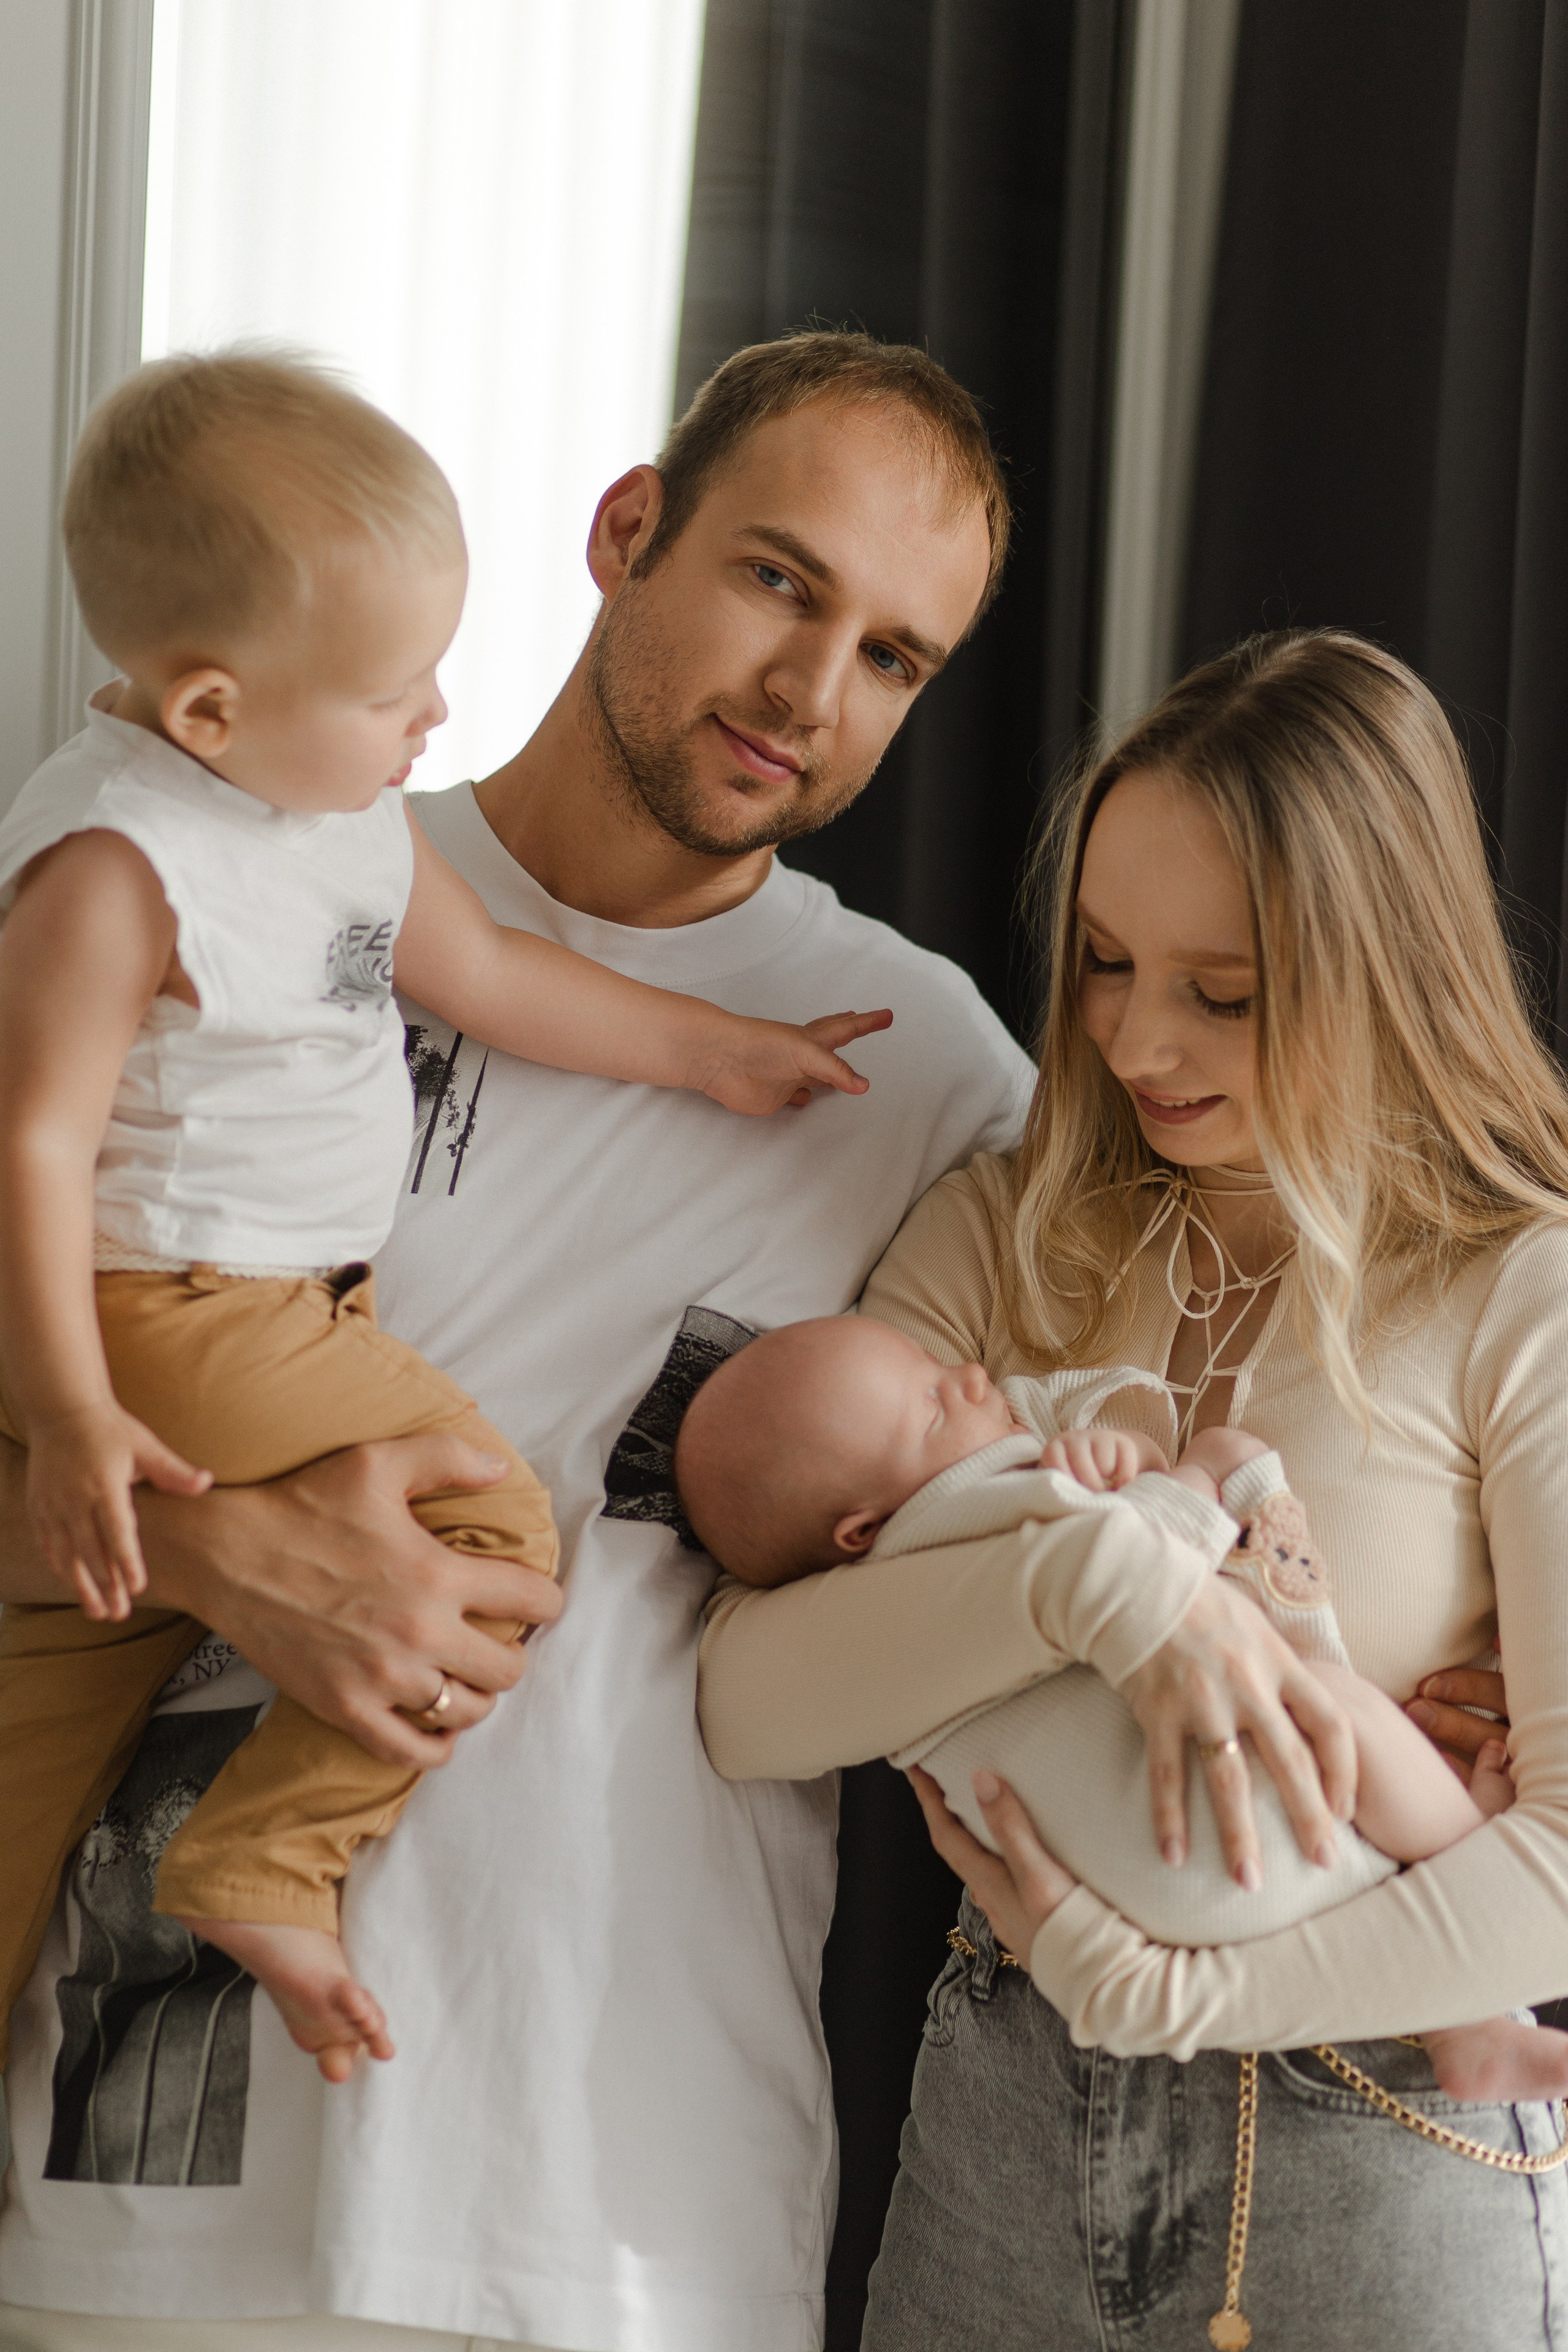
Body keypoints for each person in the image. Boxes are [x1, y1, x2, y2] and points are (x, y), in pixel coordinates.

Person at [0, 327, 1072, 2352]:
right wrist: (227, 1547)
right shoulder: (207, 868)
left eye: (894, 657)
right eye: (780, 579)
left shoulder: (931, 1081)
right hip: (144, 2163)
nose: (812, 691)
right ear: (631, 528)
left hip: (618, 2207)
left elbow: (1051, 1526)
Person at [697, 628, 1568, 2348]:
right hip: (1003, 2137)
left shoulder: (1513, 1287)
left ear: (1382, 969)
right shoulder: (1005, 1233)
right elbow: (748, 1696)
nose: (1139, 1041)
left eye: (1222, 992)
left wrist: (1171, 1995)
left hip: (1384, 2148)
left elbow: (1555, 1880)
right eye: (1103, 963)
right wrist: (1092, 1590)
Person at [678, 1313, 1559, 2101]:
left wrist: (1154, 1996)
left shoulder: (888, 1623)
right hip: (1233, 1845)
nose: (973, 1378)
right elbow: (1145, 1543)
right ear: (861, 1531)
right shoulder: (966, 1512)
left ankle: (1462, 2020)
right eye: (936, 1406)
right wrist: (1199, 1469)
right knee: (1335, 1706)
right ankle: (1463, 1898)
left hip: (1138, 1917)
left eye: (935, 1365)